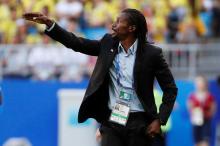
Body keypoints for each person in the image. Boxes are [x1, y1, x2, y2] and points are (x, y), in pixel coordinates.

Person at [23, 8, 178, 146]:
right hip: (114, 117)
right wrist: (50, 24)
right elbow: (77, 43)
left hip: (140, 122)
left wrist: (159, 120)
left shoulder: (152, 54)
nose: (113, 25)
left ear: (131, 28)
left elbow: (170, 89)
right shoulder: (108, 43)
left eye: (119, 22)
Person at [187, 75, 216, 146]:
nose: (199, 84)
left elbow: (213, 109)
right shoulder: (192, 96)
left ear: (205, 84)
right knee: (197, 142)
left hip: (206, 122)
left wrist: (206, 113)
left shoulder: (209, 96)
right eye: (197, 83)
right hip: (196, 122)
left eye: (201, 82)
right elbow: (189, 107)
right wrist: (194, 113)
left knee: (205, 142)